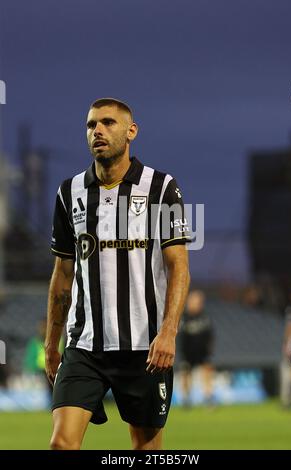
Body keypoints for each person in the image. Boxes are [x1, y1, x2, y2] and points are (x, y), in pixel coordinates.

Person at [45, 97, 191, 450]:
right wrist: (53, 341)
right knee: (61, 445)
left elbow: (179, 268)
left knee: (146, 448)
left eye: (108, 123)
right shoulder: (70, 192)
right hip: (84, 346)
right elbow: (62, 274)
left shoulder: (161, 187)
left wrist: (169, 332)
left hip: (145, 347)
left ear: (131, 131)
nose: (98, 130)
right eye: (91, 124)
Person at [179, 289, 215, 406]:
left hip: (202, 352)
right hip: (187, 352)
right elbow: (180, 337)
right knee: (186, 374)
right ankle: (186, 398)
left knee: (207, 372)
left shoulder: (205, 317)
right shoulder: (183, 318)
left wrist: (209, 350)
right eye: (194, 301)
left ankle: (208, 396)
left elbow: (210, 335)